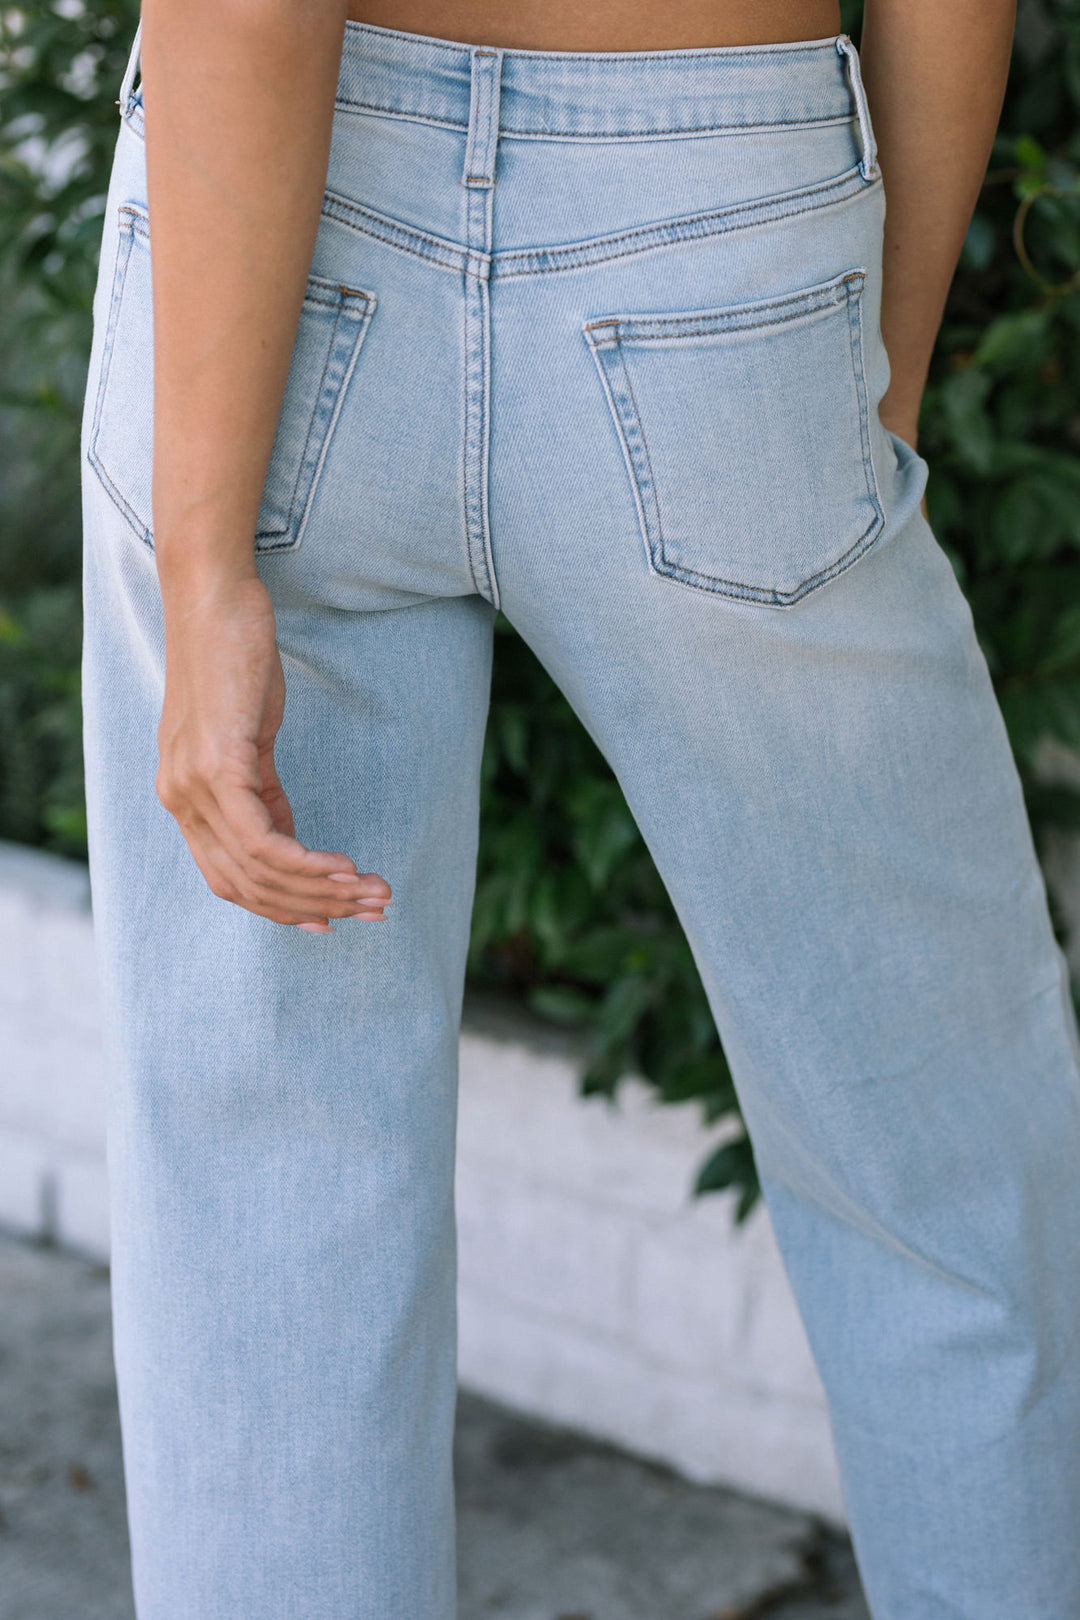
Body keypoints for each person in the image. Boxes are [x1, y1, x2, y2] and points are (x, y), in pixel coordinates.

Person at [79, 0, 1080, 1615]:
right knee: (949, 1185)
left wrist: (205, 561)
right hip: (714, 194)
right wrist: (865, 390)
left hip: (268, 234)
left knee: (267, 1216)